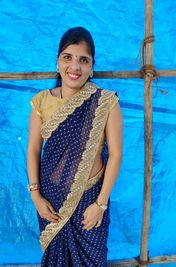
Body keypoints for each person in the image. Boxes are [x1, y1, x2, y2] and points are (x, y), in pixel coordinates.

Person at [27, 26, 123, 267]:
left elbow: (115, 154)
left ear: (92, 67)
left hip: (90, 199)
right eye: (67, 57)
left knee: (92, 259)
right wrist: (36, 196)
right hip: (51, 202)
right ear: (58, 62)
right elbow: (33, 150)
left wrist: (100, 204)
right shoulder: (41, 102)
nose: (75, 67)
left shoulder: (105, 102)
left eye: (84, 60)